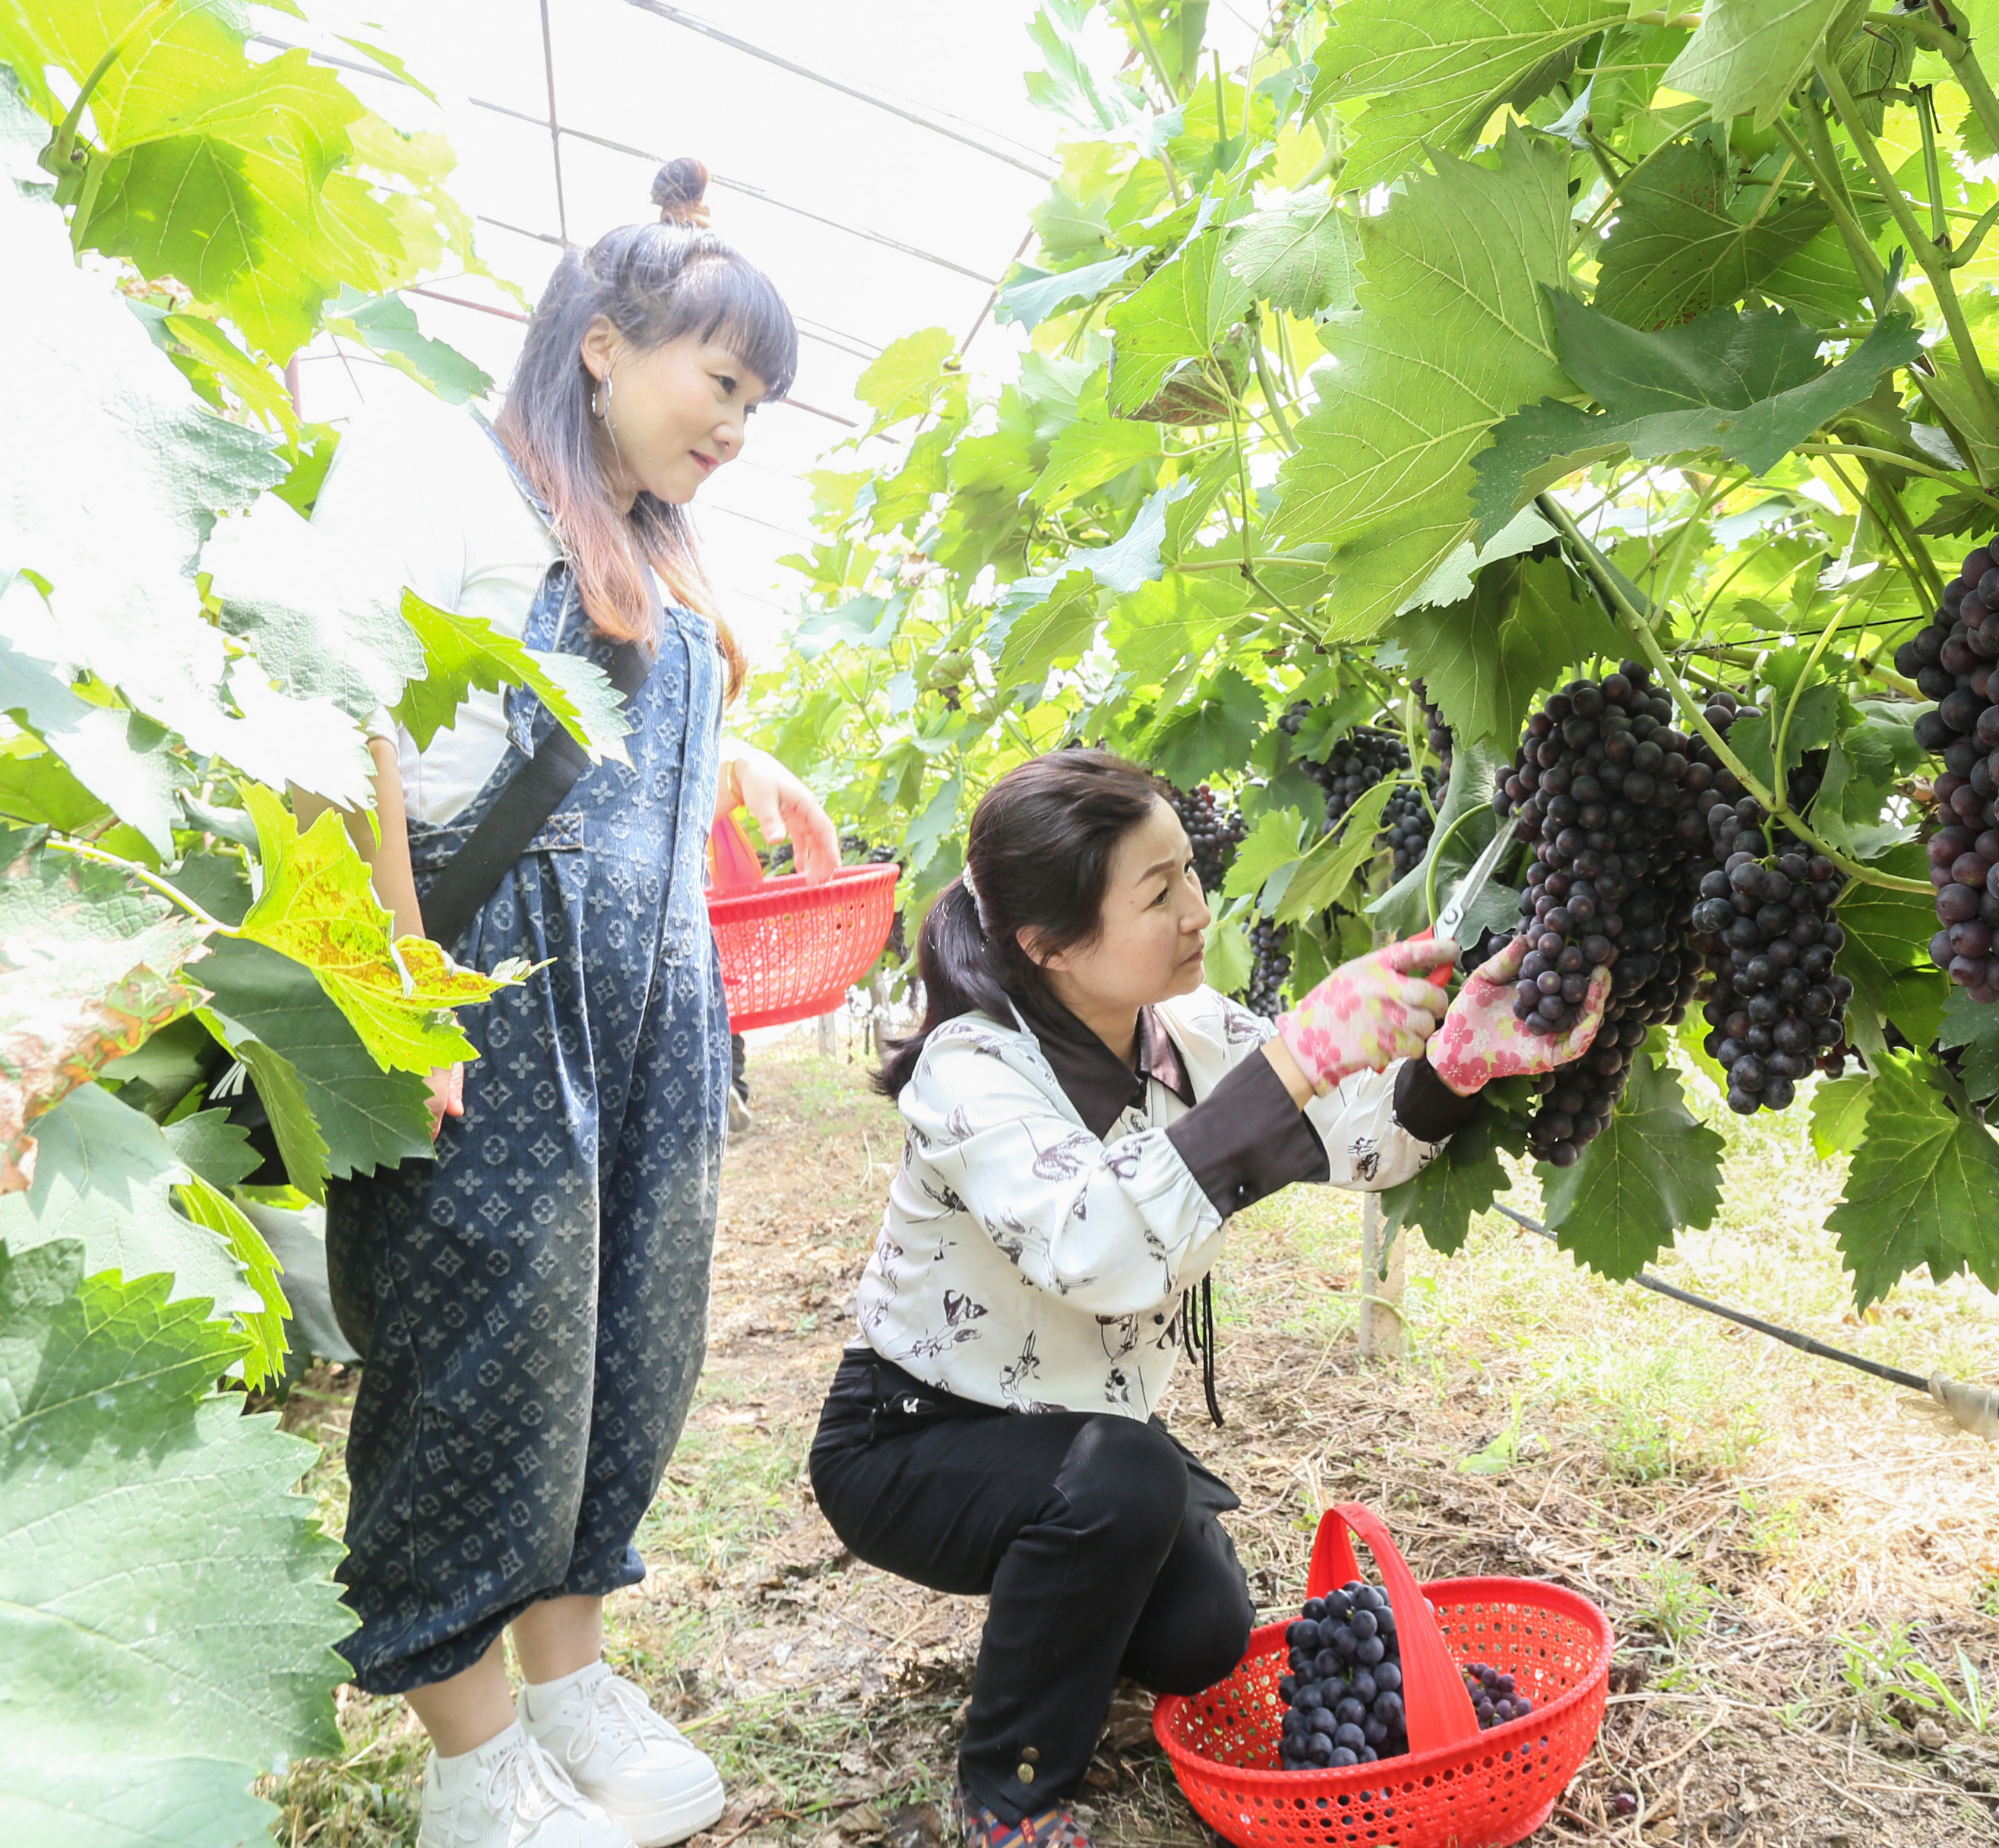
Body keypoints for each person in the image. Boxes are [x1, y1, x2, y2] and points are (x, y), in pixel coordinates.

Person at [308, 159, 838, 1848]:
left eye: (759, 402)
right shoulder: (449, 474)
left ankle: (569, 1682)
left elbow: (601, 724)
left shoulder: (646, 543)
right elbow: (346, 728)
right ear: (604, 345)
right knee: (482, 1360)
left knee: (623, 1348)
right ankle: (475, 1768)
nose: (738, 427)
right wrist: (400, 985)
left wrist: (737, 755)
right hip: (497, 996)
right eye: (724, 383)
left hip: (651, 1007)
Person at [806, 748, 1605, 1848]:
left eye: (1190, 870)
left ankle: (1055, 1589)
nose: (1198, 906)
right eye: (1158, 890)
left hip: (1068, 1437)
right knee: (1122, 1483)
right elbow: (1093, 1250)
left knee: (1203, 1637)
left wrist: (1451, 1067)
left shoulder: (1182, 1036)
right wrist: (1290, 1067)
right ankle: (1007, 1795)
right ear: (1048, 945)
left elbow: (1352, 1136)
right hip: (909, 1440)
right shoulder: (971, 1074)